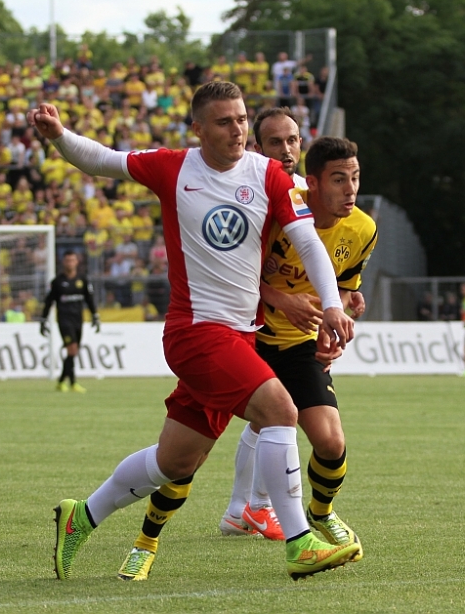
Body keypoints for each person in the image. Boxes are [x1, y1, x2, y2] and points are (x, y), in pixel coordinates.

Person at [28, 81, 360, 582]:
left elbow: (308, 242)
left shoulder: (267, 173)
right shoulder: (173, 167)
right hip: (196, 331)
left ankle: (83, 515)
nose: (237, 130)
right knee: (280, 410)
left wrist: (332, 304)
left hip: (240, 336)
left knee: (174, 461)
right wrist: (58, 135)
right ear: (198, 129)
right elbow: (101, 160)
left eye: (242, 119)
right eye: (224, 122)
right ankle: (299, 542)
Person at [118, 128, 375, 582]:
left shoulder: (361, 229)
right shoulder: (264, 202)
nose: (286, 150)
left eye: (293, 140)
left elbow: (342, 285)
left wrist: (339, 314)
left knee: (328, 441)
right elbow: (229, 274)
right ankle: (147, 540)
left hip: (296, 347)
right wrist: (281, 299)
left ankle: (314, 515)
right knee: (187, 455)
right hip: (243, 338)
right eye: (275, 142)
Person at [41, 251, 99, 393]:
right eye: (67, 260)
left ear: (77, 262)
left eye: (72, 260)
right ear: (63, 262)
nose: (70, 263)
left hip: (78, 320)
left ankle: (62, 381)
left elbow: (89, 299)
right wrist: (43, 319)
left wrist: (95, 316)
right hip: (64, 321)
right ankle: (72, 382)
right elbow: (49, 302)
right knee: (72, 349)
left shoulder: (82, 280)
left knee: (74, 351)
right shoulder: (57, 282)